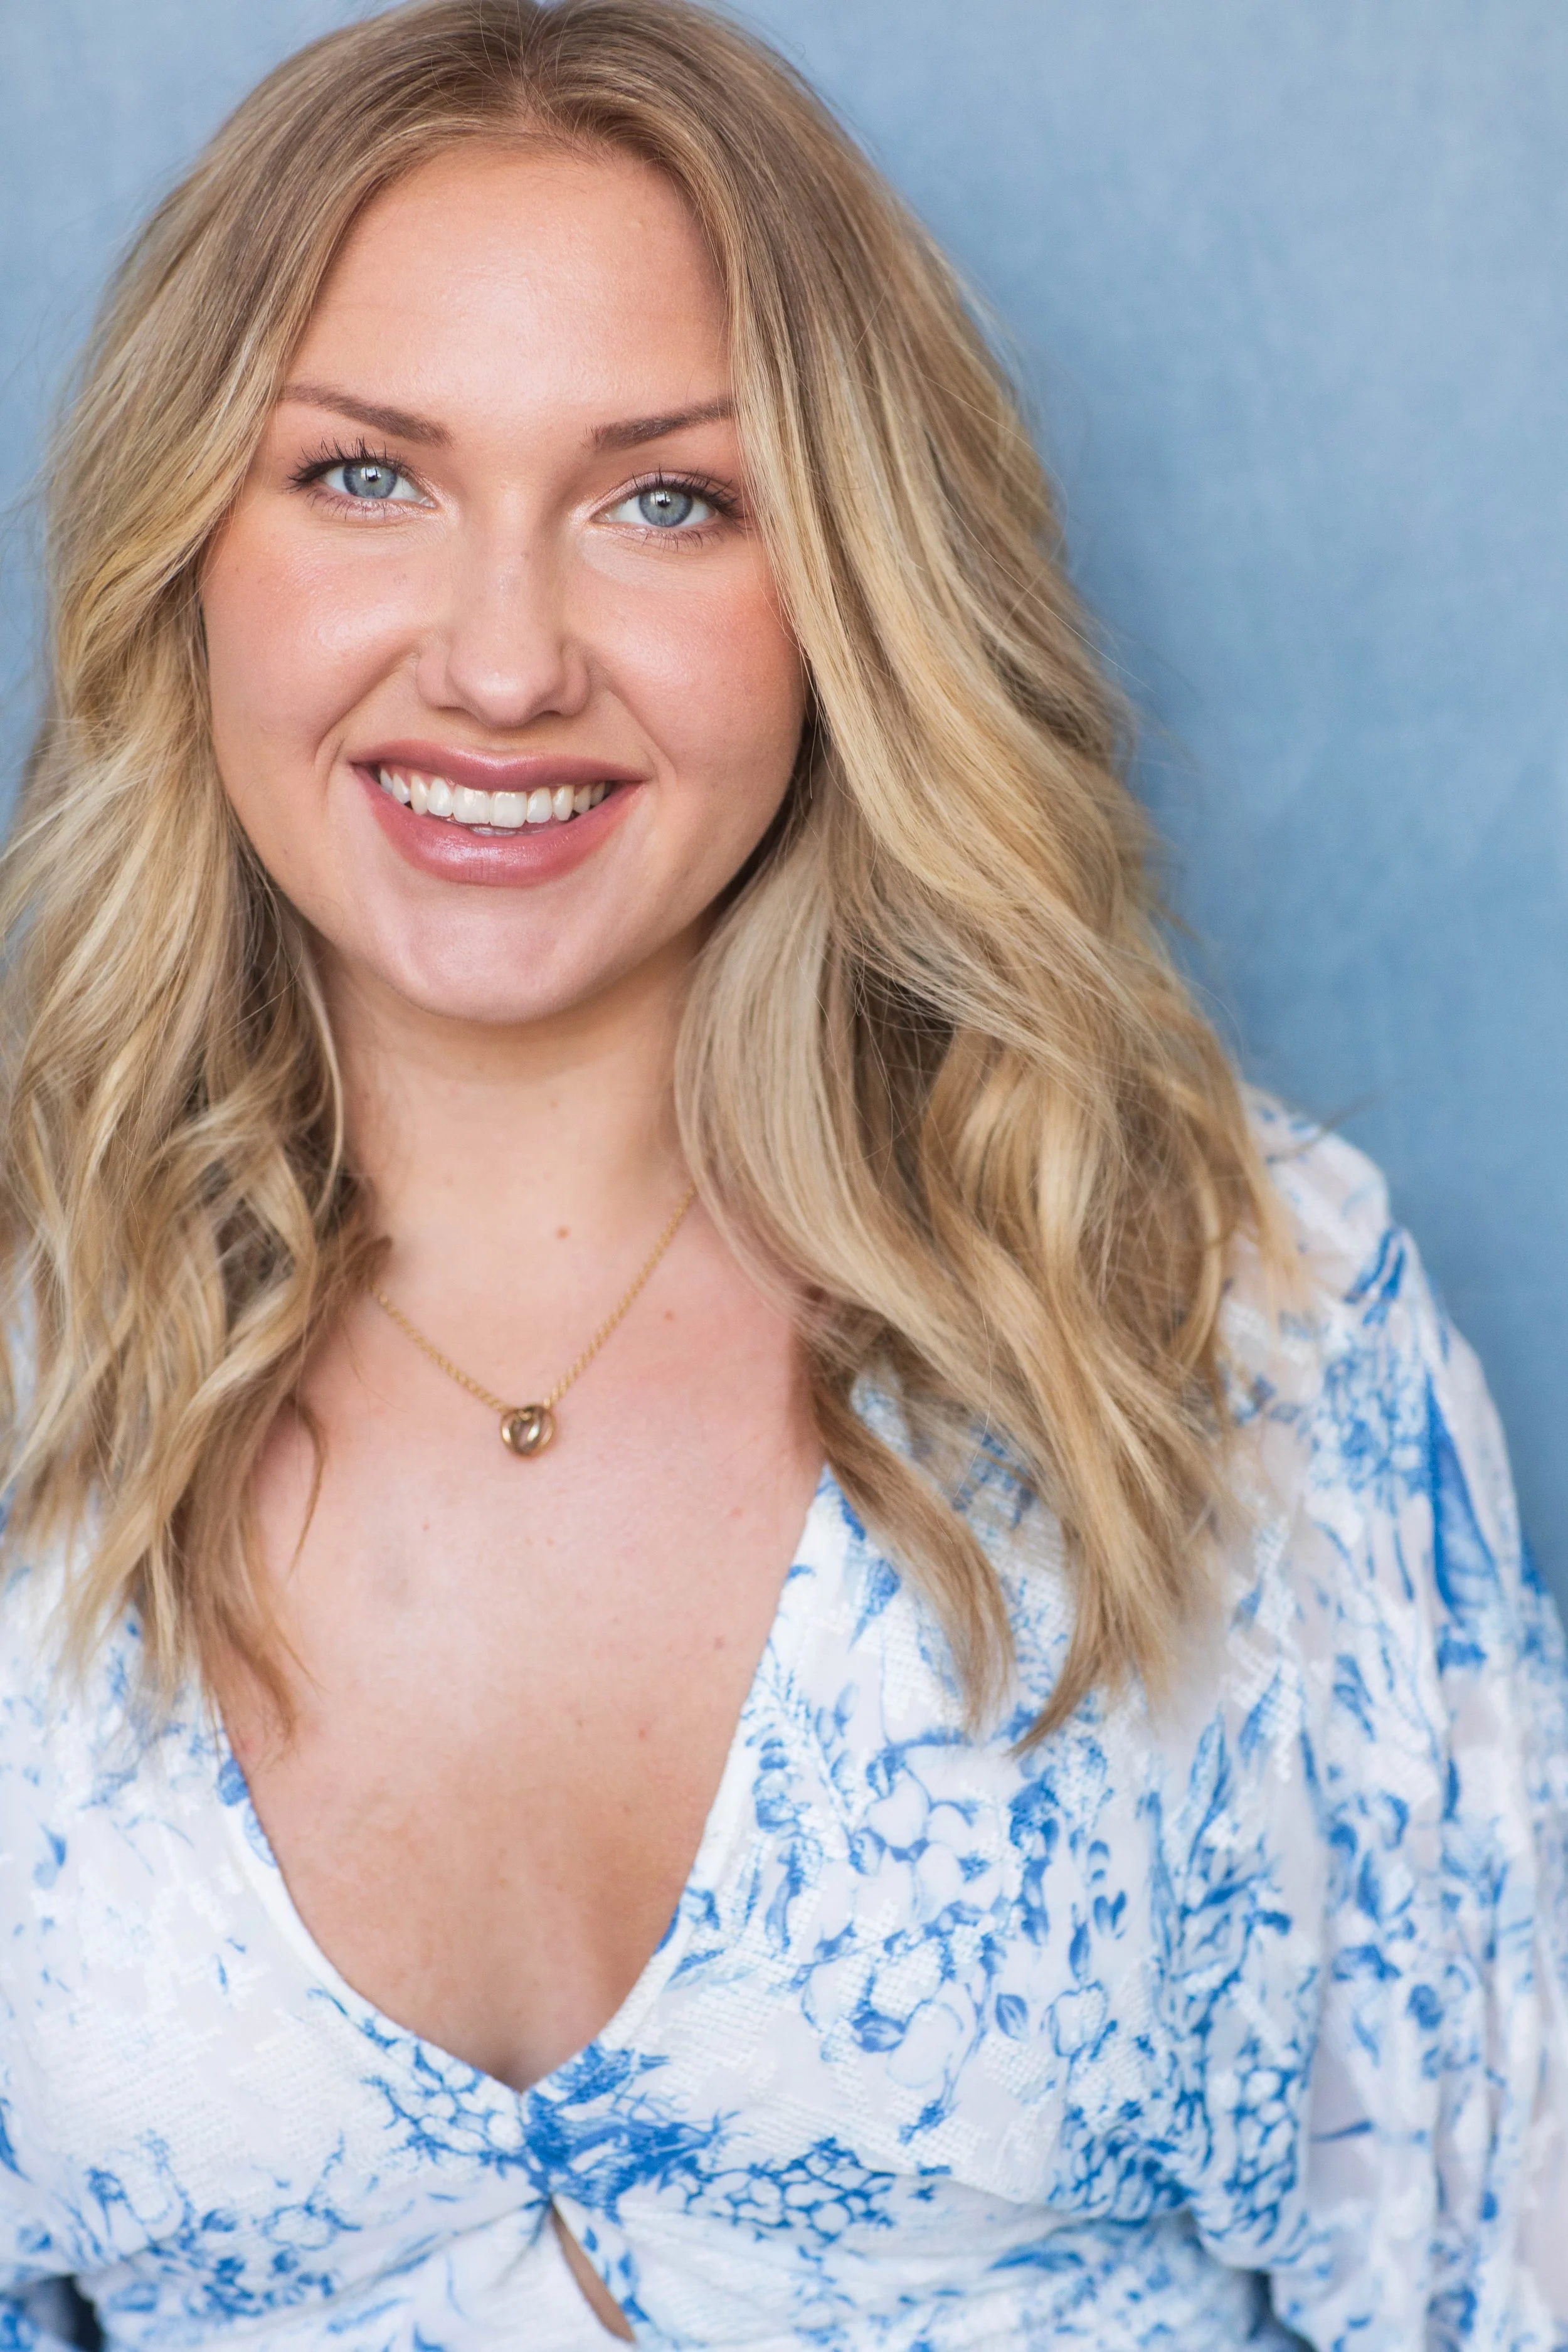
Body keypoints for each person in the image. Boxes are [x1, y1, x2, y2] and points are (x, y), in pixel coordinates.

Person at [0, 1, 1563, 2344]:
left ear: (844, 587)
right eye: (363, 474)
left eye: (667, 499)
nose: (505, 661)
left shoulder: (1218, 1314)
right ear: (182, 547)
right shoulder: (36, 1352)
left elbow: (1487, 2254)